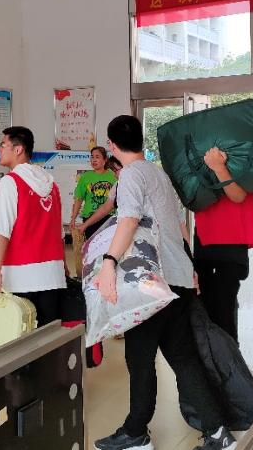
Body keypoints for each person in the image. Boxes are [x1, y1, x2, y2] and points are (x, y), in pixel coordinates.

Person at [95, 115, 235, 450]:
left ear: (112, 145)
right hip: (177, 277)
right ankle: (217, 432)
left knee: (140, 358)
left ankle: (136, 433)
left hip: (151, 283)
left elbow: (128, 220)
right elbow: (179, 224)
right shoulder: (159, 173)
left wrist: (109, 262)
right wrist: (190, 265)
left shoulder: (131, 174)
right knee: (183, 357)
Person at [0, 126, 66, 327]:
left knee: (22, 334)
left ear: (18, 149)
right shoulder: (51, 183)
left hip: (21, 275)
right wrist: (63, 264)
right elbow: (58, 231)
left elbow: (1, 230)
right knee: (48, 333)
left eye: (3, 145)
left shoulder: (10, 182)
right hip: (52, 273)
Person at [191, 146, 253, 344]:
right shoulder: (198, 157)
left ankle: (229, 358)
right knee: (206, 305)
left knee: (224, 308)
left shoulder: (241, 155)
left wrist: (219, 167)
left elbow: (238, 196)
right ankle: (214, 356)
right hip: (205, 239)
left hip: (231, 242)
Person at [70, 147, 117, 240]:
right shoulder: (85, 177)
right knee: (91, 246)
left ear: (105, 159)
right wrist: (73, 218)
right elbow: (79, 199)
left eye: (97, 157)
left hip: (108, 218)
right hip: (90, 219)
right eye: (92, 157)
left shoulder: (113, 176)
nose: (94, 160)